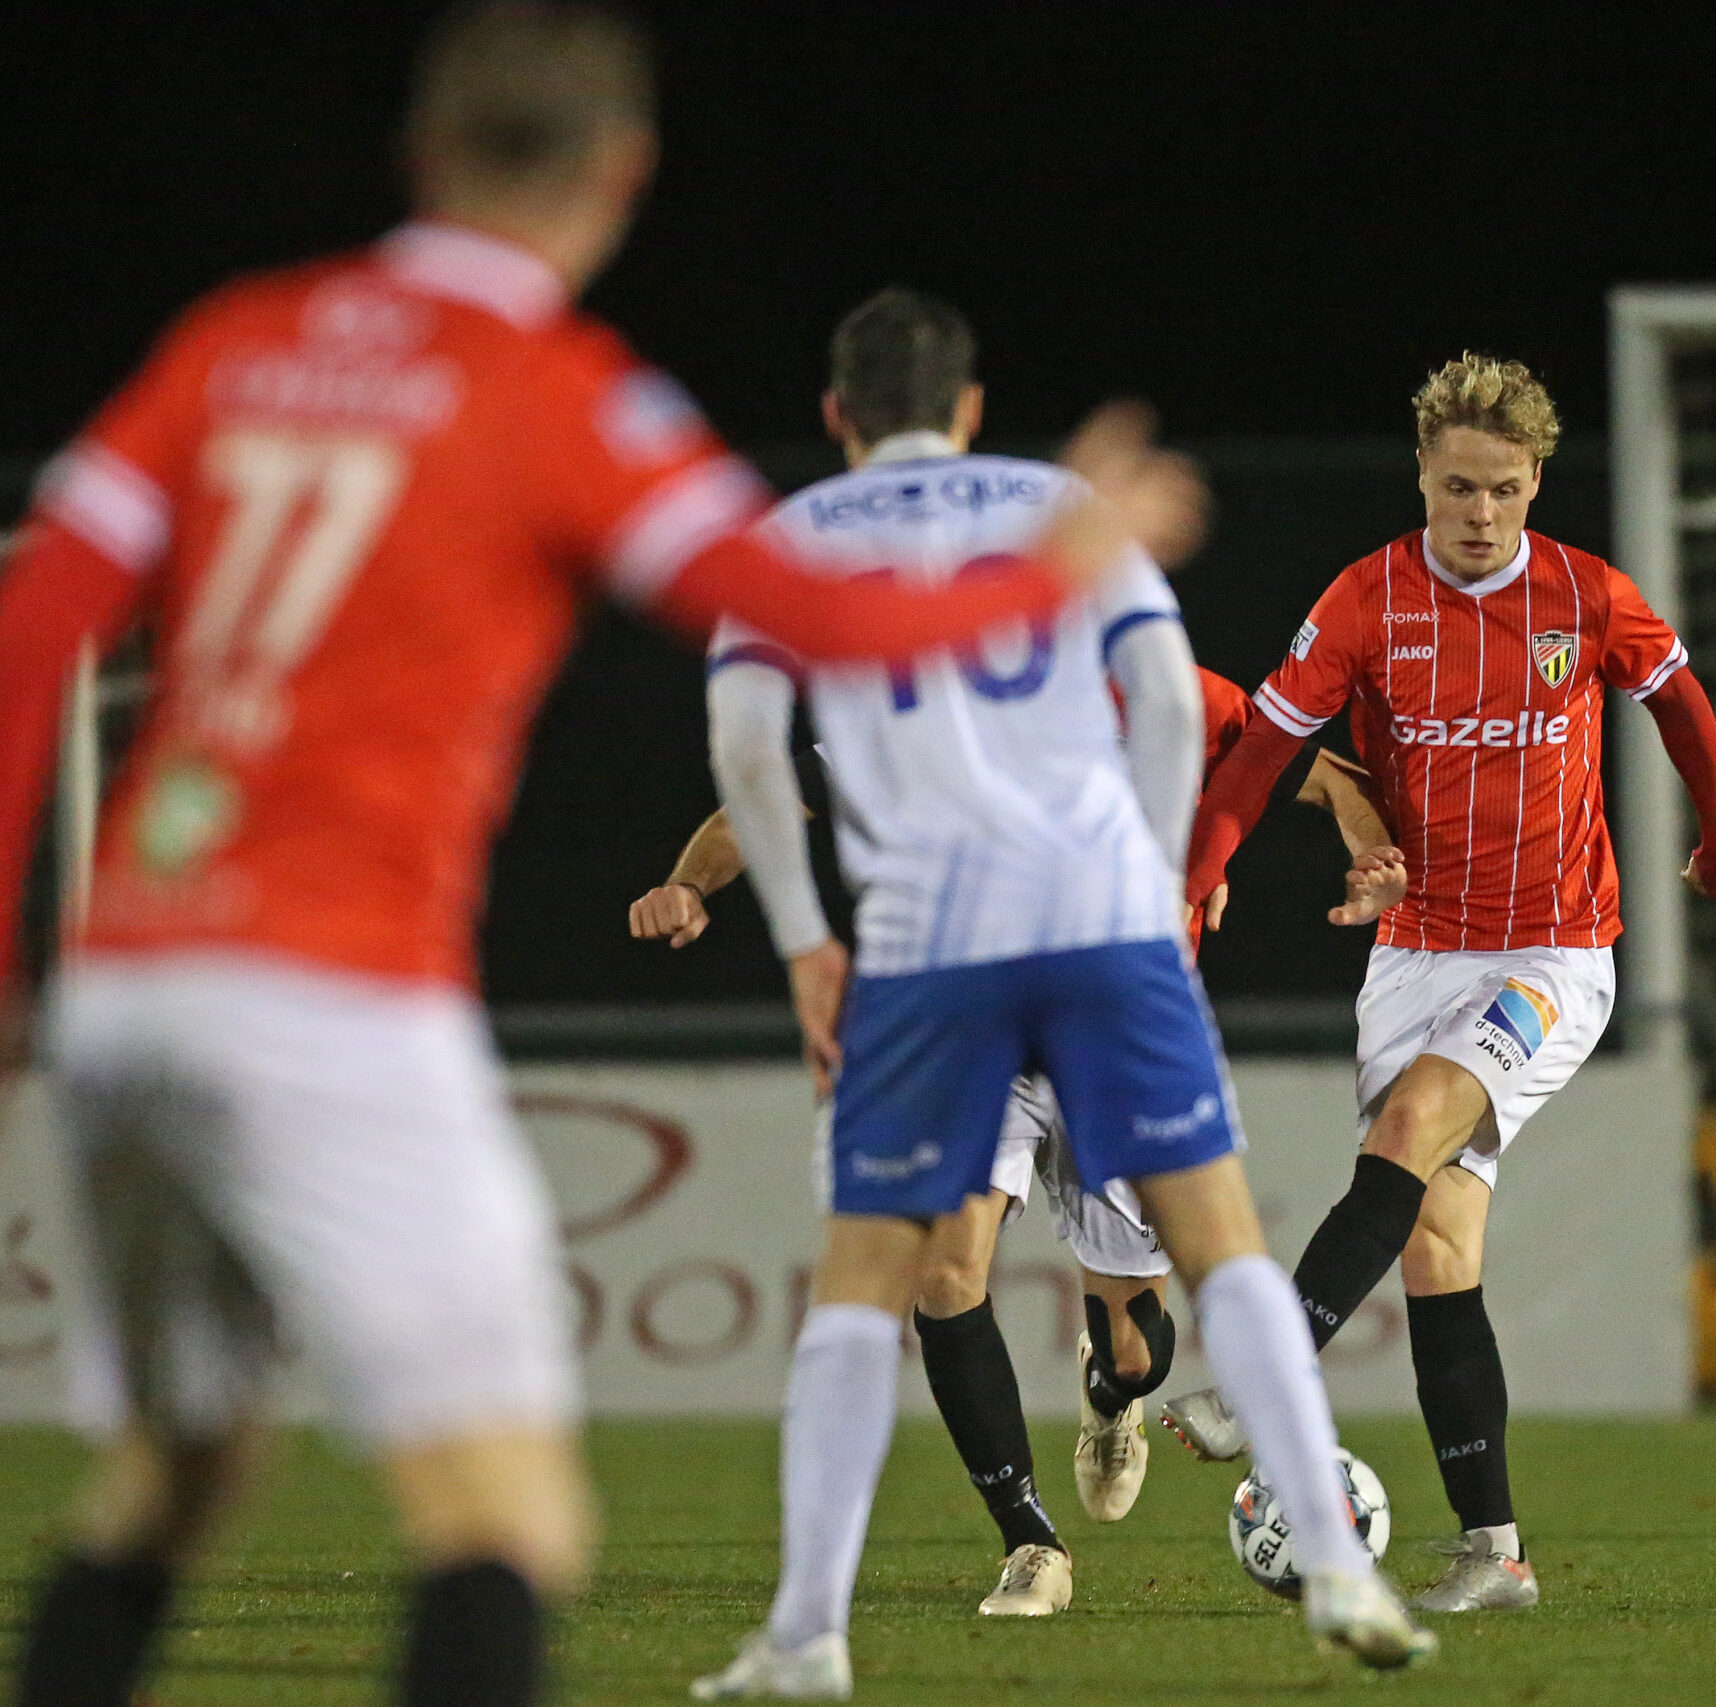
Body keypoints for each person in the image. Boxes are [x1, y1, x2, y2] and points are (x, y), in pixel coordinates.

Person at [0, 9, 1203, 1705]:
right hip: (337, 991)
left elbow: (31, 625)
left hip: (128, 989)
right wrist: (1061, 558)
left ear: (419, 154)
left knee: (173, 1475)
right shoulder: (554, 392)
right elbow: (823, 625)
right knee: (502, 1510)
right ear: (622, 176)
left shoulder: (232, 343)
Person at [685, 288, 1436, 1697]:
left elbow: (747, 750)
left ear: (839, 415)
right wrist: (1155, 879)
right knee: (1220, 1242)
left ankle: (804, 1636)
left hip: (929, 945)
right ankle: (1336, 1558)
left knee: (866, 1285)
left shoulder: (789, 540)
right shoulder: (1058, 503)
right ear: (970, 406)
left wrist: (801, 936)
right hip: (1100, 926)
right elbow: (1165, 697)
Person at [1163, 352, 1716, 1614]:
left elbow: (1681, 700)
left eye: (1502, 488)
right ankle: (1495, 1552)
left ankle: (1263, 1386)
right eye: (1455, 488)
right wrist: (1199, 864)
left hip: (1552, 951)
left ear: (1535, 482)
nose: (1478, 513)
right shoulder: (1368, 600)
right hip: (1417, 953)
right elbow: (1265, 747)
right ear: (1421, 480)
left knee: (1409, 1125)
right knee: (1436, 1247)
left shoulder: (1584, 595)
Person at [630, 669, 1403, 1619]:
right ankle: (1031, 1542)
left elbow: (1316, 770)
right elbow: (777, 791)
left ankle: (1109, 1393)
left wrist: (1368, 852)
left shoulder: (1180, 694)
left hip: (1117, 1037)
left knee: (1137, 1352)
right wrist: (685, 881)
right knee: (944, 1272)